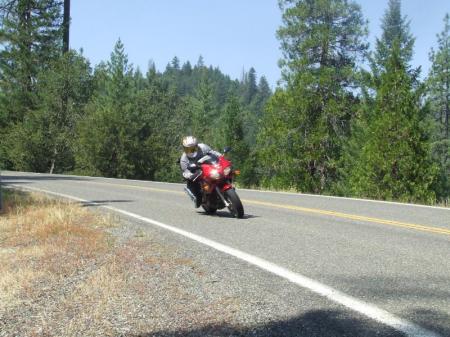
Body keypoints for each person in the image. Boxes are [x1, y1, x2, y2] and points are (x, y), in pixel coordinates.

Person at [180, 135, 221, 207]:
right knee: (194, 187)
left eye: (192, 149)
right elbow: (185, 171)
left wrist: (221, 157)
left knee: (223, 172)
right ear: (184, 149)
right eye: (187, 149)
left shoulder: (203, 147)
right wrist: (191, 176)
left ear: (196, 146)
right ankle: (198, 198)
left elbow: (213, 153)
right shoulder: (183, 159)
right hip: (197, 173)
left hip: (209, 167)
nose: (190, 151)